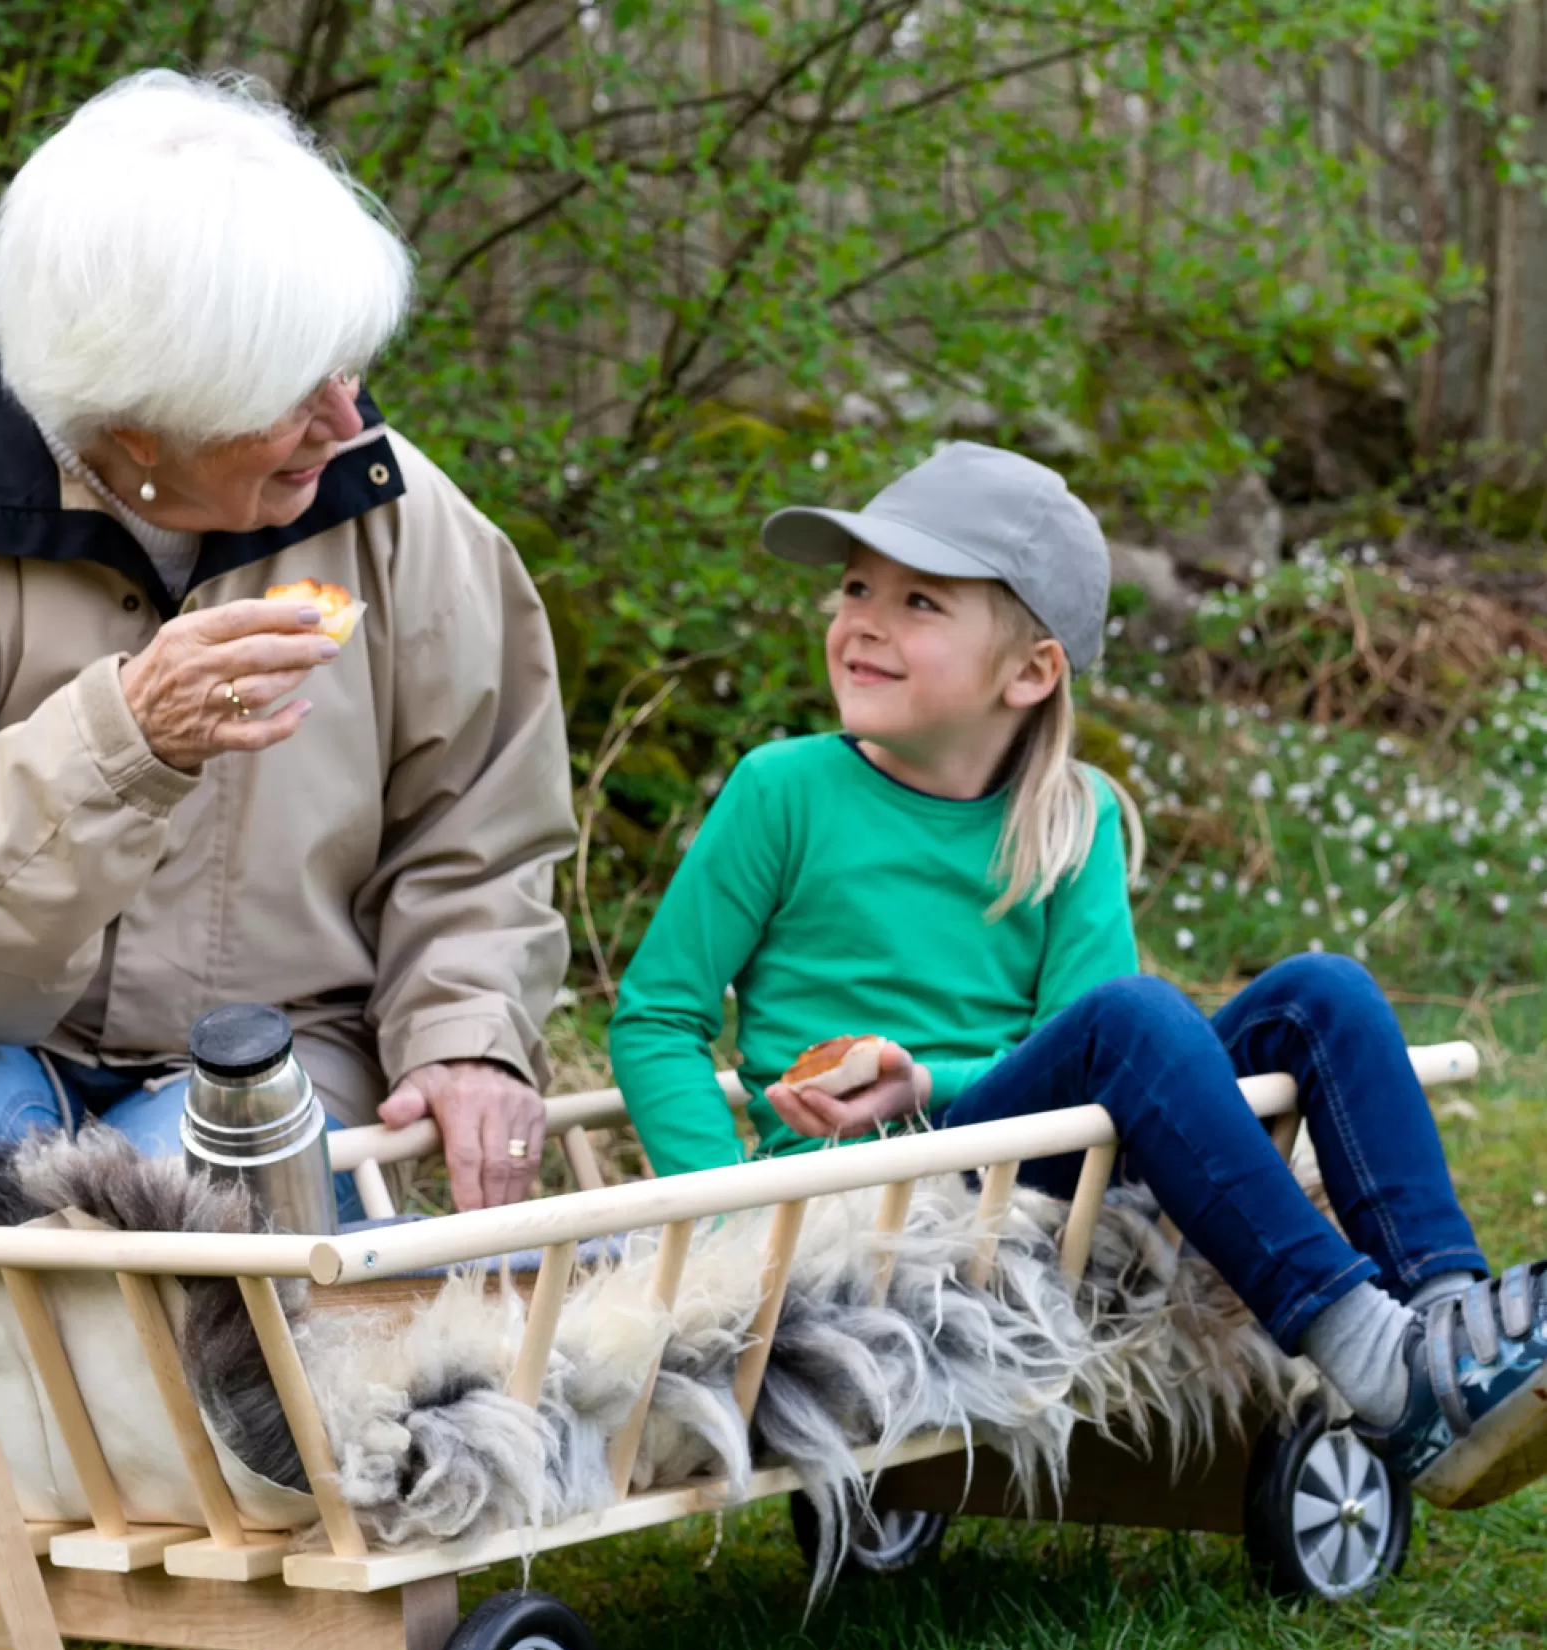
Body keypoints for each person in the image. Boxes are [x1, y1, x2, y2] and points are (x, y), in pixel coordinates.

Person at [0, 71, 576, 1325]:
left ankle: (146, 1466)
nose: (343, 416)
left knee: (223, 1218)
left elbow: (479, 829)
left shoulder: (399, 514)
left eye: (345, 364)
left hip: (275, 1050)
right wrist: (120, 745)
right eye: (288, 384)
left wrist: (467, 1033)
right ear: (138, 419)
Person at [610, 440, 1547, 1504]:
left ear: (1028, 670)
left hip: (1032, 1168)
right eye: (854, 587)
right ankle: (1374, 1359)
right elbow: (654, 1017)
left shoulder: (1069, 814)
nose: (860, 618)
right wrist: (734, 1215)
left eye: (917, 599)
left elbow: (1080, 1056)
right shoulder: (781, 791)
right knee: (1137, 1016)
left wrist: (931, 1080)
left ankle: (1451, 1330)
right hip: (863, 1203)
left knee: (1321, 993)